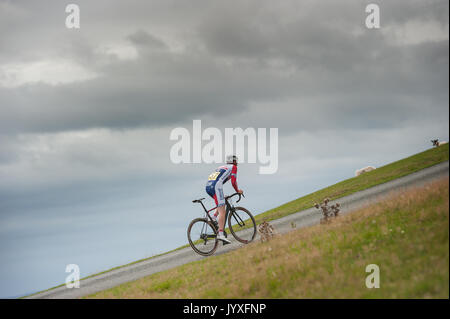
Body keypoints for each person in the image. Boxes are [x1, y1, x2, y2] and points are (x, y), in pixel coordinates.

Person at [205, 155, 243, 244]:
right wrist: (237, 190)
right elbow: (233, 182)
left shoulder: (221, 167)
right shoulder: (233, 167)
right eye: (236, 161)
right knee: (223, 212)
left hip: (208, 187)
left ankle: (213, 217)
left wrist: (222, 195)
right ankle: (220, 234)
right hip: (216, 187)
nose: (237, 163)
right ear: (233, 161)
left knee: (221, 203)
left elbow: (219, 180)